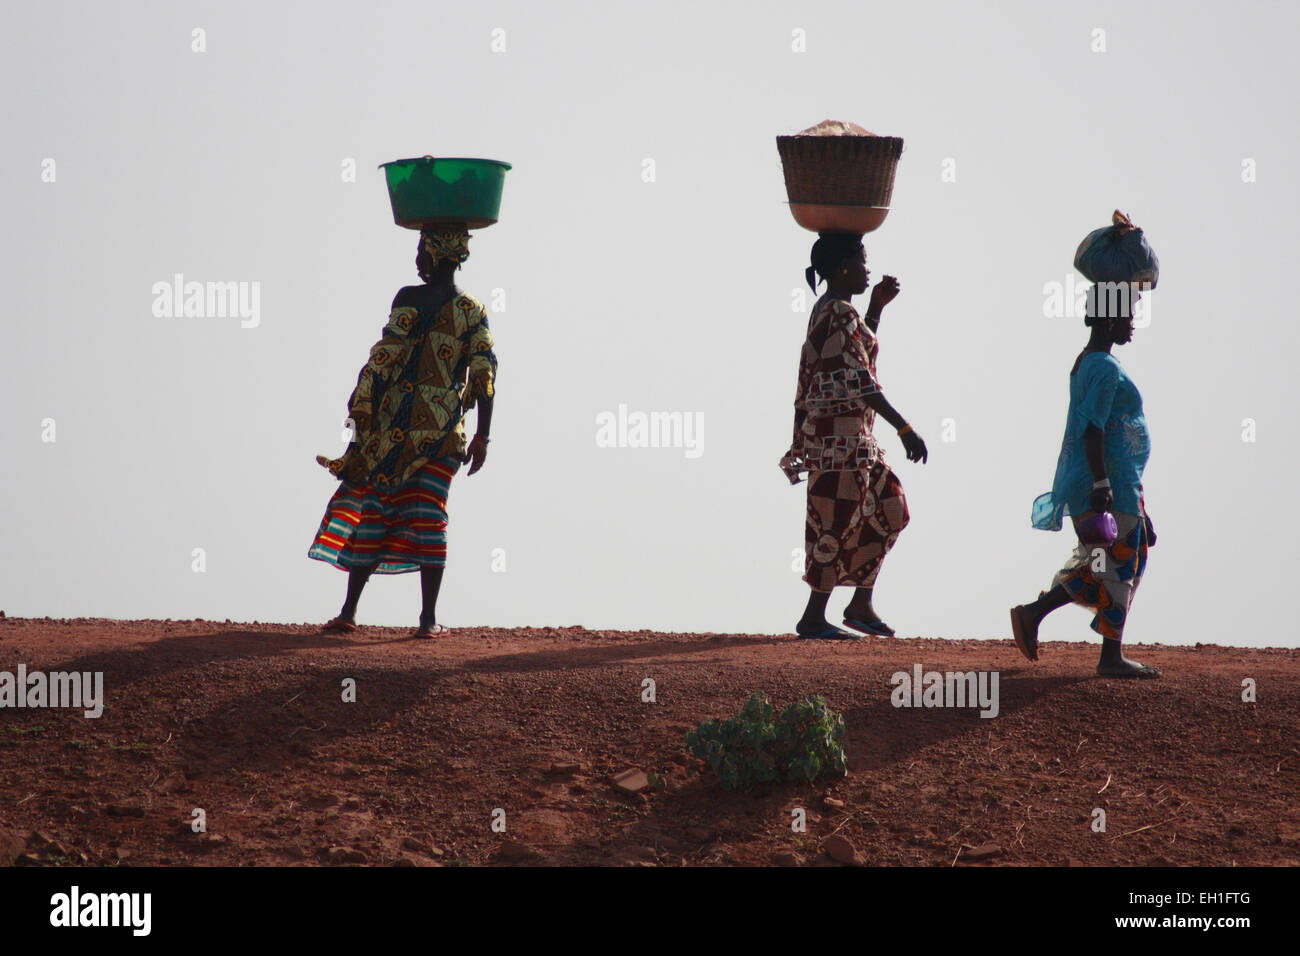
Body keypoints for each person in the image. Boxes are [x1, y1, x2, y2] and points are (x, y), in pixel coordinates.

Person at [308, 225, 497, 638]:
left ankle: (355, 613)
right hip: (438, 433)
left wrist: (361, 409)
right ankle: (421, 620)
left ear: (434, 251)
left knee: (380, 513)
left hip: (396, 431)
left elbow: (382, 360)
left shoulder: (409, 298)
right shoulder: (473, 309)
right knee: (424, 515)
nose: (417, 259)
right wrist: (483, 434)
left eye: (420, 250)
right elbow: (484, 373)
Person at [779, 233, 928, 639]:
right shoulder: (837, 312)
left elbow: (858, 353)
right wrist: (905, 427)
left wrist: (876, 307)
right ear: (843, 267)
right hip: (837, 443)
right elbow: (861, 381)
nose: (868, 270)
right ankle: (813, 617)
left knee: (892, 507)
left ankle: (861, 603)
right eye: (863, 262)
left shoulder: (838, 311)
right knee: (835, 522)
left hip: (854, 441)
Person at [1010, 281, 1158, 677]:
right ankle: (1110, 656)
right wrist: (1102, 484)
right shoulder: (1104, 368)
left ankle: (1033, 613)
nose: (1131, 324)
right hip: (1108, 483)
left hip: (1115, 484)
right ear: (1109, 319)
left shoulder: (1086, 361)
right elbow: (1093, 429)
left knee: (1107, 561)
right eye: (1127, 316)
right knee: (1119, 565)